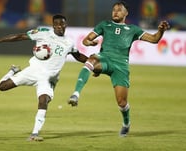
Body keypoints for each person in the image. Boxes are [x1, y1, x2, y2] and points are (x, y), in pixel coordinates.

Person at [67, 1, 170, 137]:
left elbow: (154, 39)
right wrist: (90, 42)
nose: (115, 12)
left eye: (119, 10)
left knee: (122, 102)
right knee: (91, 60)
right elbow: (86, 40)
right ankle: (75, 94)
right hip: (104, 59)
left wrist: (161, 30)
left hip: (121, 66)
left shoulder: (133, 29)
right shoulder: (105, 25)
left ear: (126, 13)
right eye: (114, 9)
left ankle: (126, 123)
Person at [0, 14, 88, 141]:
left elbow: (78, 56)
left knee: (43, 101)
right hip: (33, 70)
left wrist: (91, 63)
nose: (60, 26)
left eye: (62, 24)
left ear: (65, 25)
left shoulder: (69, 42)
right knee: (2, 87)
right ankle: (13, 71)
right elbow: (20, 36)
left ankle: (34, 134)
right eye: (57, 24)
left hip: (48, 78)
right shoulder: (43, 33)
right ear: (53, 25)